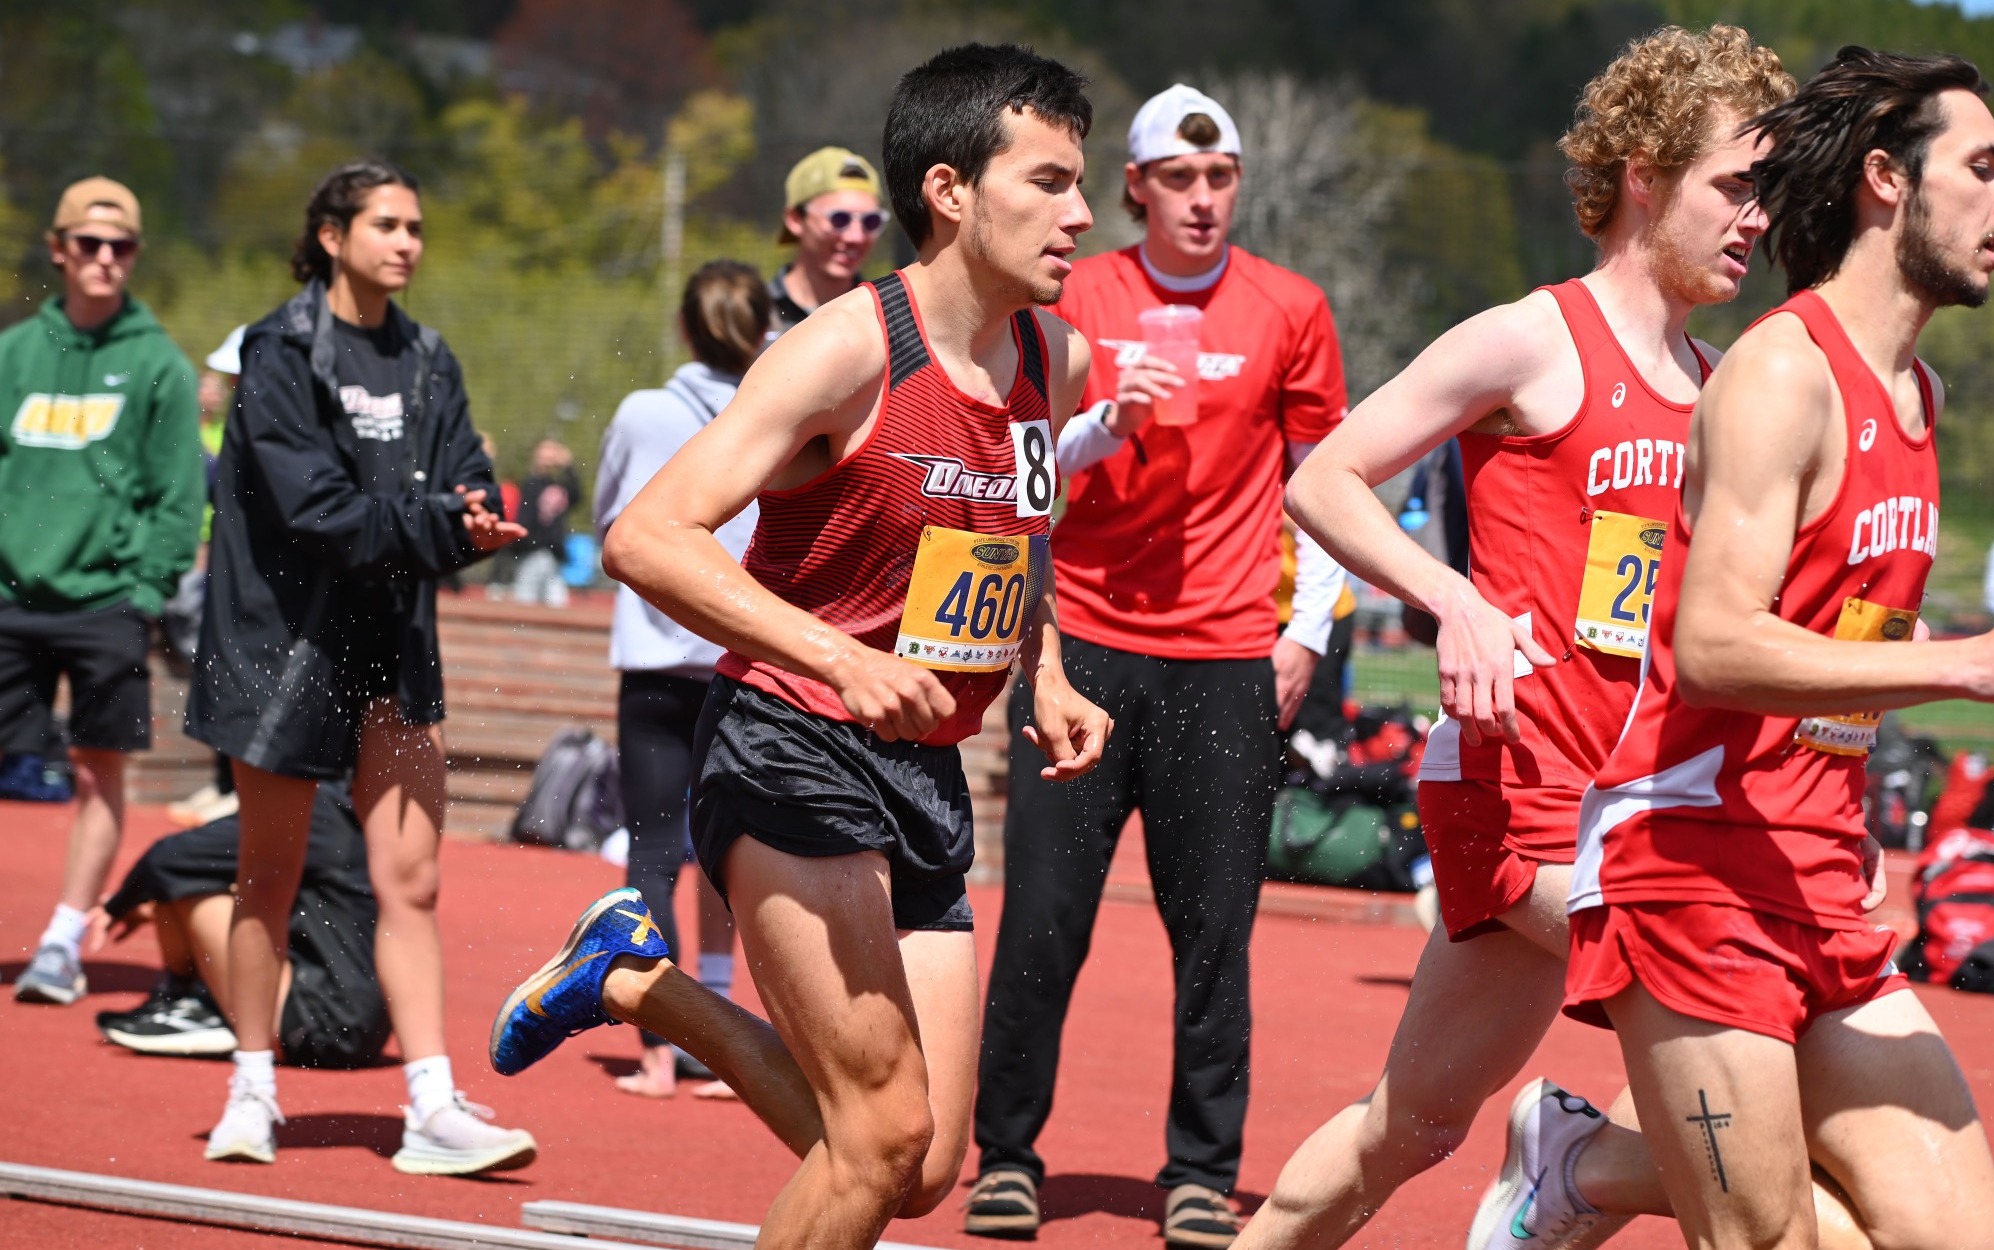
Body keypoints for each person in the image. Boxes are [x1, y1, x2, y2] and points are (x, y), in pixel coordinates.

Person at [491, 43, 1110, 1249]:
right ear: (948, 191)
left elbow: (1015, 531)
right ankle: (638, 974)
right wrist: (838, 657)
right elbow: (647, 536)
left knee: (920, 1162)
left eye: (1077, 182)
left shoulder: (1056, 359)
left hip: (923, 766)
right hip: (789, 737)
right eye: (1045, 181)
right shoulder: (845, 350)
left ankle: (635, 980)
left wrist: (1044, 665)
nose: (1079, 212)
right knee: (875, 1134)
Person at [1234, 27, 1807, 1250]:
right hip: (1520, 790)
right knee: (1754, 1049)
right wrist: (1452, 597)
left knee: (1408, 1124)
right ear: (1642, 173)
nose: (1754, 220)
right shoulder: (1528, 339)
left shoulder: (1718, 386)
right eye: (1733, 186)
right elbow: (1324, 479)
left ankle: (1553, 1167)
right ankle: (1580, 1171)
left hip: (1640, 803)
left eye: (1766, 195)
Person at [1549, 46, 1994, 1249]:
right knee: (1762, 1239)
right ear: (1884, 181)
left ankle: (1588, 1157)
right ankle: (1590, 1166)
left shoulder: (1919, 399)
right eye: (1984, 167)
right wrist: (1964, 663)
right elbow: (1711, 646)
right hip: (1689, 863)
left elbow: (1837, 659)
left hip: (1817, 869)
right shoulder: (1777, 376)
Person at [967, 82, 1348, 1247]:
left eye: (1217, 176)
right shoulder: (1074, 292)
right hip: (1075, 643)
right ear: (1132, 186)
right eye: (1175, 179)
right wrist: (1106, 424)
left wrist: (1308, 634)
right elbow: (1020, 458)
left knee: (1214, 927)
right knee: (1039, 917)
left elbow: (1330, 482)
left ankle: (1198, 1165)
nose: (1198, 198)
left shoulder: (1290, 305)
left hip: (1227, 653)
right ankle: (1007, 1154)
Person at [185, 158, 535, 1174]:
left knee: (411, 881)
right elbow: (316, 508)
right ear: (331, 235)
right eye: (385, 223)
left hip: (392, 643)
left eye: (416, 226)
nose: (406, 242)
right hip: (282, 647)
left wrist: (471, 507)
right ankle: (252, 1086)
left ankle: (430, 1103)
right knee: (271, 874)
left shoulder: (429, 356)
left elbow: (460, 462)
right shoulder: (278, 350)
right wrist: (441, 522)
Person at [2, 176, 203, 1005]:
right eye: (89, 244)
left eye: (121, 247)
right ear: (59, 250)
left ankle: (61, 939)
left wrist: (145, 593)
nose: (105, 260)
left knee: (96, 775)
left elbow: (178, 494)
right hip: (11, 598)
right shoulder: (14, 355)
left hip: (108, 605)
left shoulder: (157, 364)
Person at [592, 260, 768, 1100]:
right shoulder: (780, 406)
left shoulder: (644, 411)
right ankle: (721, 1032)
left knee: (654, 854)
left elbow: (610, 520)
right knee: (732, 856)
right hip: (742, 659)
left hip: (657, 663)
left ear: (684, 329)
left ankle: (657, 1046)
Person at [92, 781, 391, 1070]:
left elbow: (167, 858)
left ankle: (195, 1001)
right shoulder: (362, 814)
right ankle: (193, 997)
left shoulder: (316, 807)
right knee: (243, 882)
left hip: (317, 1023)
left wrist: (116, 906)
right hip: (360, 1026)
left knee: (187, 881)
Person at [168, 325, 251, 830]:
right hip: (225, 568)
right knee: (220, 674)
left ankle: (241, 790)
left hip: (263, 585)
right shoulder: (239, 427)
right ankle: (225, 784)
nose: (233, 384)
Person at [769, 146, 886, 332]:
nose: (856, 237)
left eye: (870, 221)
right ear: (795, 220)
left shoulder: (885, 319)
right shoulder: (752, 315)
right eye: (839, 219)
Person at [512, 437, 580, 607]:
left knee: (557, 605)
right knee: (525, 604)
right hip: (531, 553)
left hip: (553, 556)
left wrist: (568, 467)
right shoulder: (530, 483)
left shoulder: (558, 485)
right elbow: (523, 519)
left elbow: (576, 495)